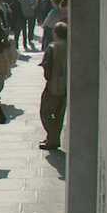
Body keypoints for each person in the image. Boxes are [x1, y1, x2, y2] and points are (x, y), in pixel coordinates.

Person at [39, 22, 68, 151]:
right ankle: (53, 138)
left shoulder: (52, 47)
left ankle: (53, 138)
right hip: (66, 85)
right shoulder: (71, 46)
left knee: (45, 112)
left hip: (53, 85)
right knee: (59, 114)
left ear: (55, 33)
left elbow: (47, 68)